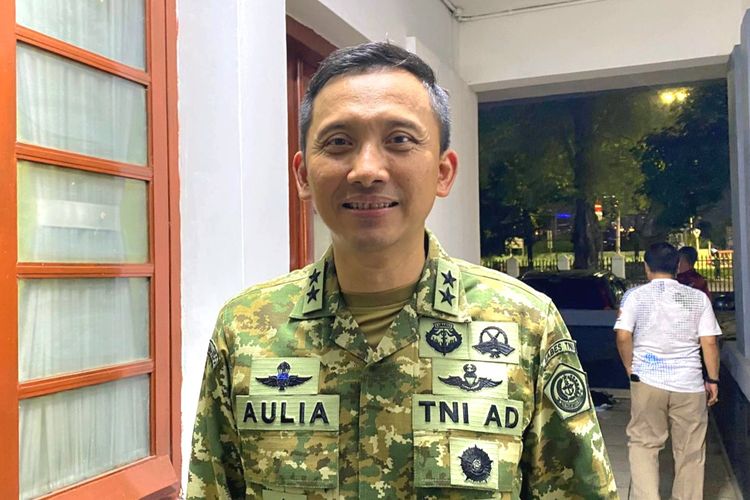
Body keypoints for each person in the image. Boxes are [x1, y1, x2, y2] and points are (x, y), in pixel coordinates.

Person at [187, 41, 617, 499]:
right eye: (339, 142)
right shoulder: (245, 328)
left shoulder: (526, 325)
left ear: (443, 172)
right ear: (303, 175)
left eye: (399, 140)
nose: (367, 170)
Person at [614, 242, 721, 500]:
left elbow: (623, 335)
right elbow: (709, 342)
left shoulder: (634, 296)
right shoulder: (697, 298)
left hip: (647, 380)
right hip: (689, 384)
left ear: (646, 267)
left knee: (644, 444)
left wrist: (630, 368)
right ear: (677, 266)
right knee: (690, 451)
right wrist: (713, 379)